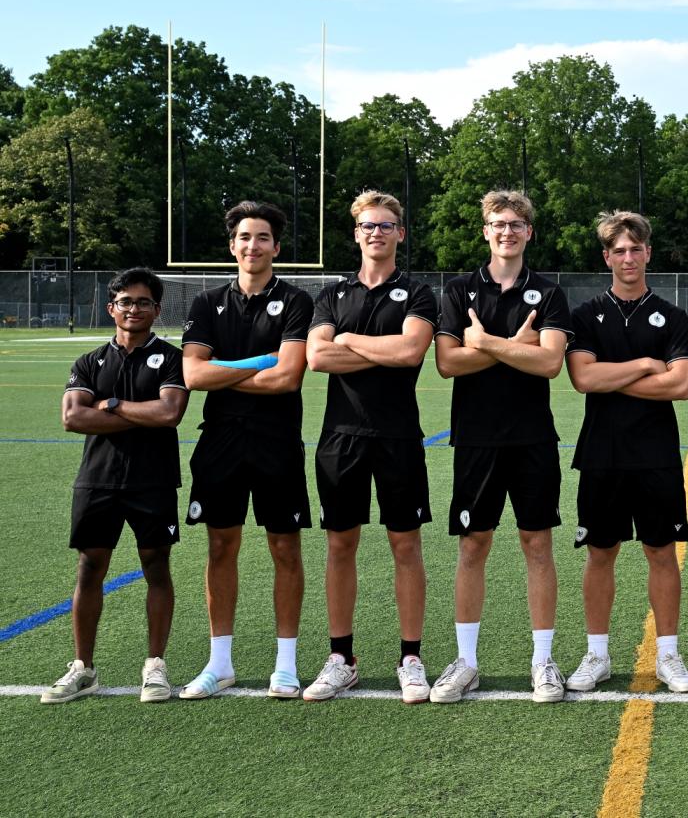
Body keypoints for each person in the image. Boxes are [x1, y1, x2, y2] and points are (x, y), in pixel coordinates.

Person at [430, 190, 572, 704]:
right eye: (497, 224)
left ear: (529, 232)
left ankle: (543, 661)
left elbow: (550, 363)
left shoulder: (549, 293)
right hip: (476, 438)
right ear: (485, 231)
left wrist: (486, 342)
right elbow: (448, 363)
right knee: (473, 545)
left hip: (533, 437)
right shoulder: (459, 290)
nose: (506, 232)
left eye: (515, 224)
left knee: (537, 544)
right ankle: (466, 661)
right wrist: (516, 346)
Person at [304, 190, 437, 703]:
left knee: (406, 545)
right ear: (356, 234)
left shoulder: (418, 293)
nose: (376, 233)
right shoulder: (332, 295)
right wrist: (375, 349)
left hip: (399, 436)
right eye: (367, 226)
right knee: (340, 545)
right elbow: (317, 357)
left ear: (400, 233)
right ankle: (342, 658)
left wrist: (348, 340)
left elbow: (410, 351)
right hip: (341, 437)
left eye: (385, 225)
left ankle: (411, 659)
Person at [179, 202, 314, 700]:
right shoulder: (206, 302)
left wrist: (225, 371)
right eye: (244, 237)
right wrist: (259, 361)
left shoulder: (296, 301)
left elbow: (288, 377)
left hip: (277, 440)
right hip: (220, 441)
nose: (252, 245)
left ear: (276, 247)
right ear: (232, 245)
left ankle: (286, 665)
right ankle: (220, 664)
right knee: (220, 546)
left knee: (285, 548)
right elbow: (193, 375)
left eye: (261, 237)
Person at [563, 210, 688, 694]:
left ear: (648, 253)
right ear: (607, 257)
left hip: (656, 453)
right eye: (618, 250)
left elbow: (681, 385)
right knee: (600, 553)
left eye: (635, 249)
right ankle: (597, 655)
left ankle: (668, 655)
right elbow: (583, 378)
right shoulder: (585, 315)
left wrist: (612, 377)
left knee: (661, 552)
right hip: (602, 452)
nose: (627, 258)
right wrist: (644, 364)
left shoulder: (673, 316)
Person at [44, 269, 189, 703]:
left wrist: (111, 405)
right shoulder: (89, 362)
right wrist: (139, 414)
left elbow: (169, 414)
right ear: (112, 308)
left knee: (156, 567)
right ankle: (83, 668)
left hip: (153, 479)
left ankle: (155, 665)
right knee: (90, 567)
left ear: (157, 310)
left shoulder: (172, 358)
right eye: (125, 301)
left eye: (143, 302)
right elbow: (73, 417)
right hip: (97, 479)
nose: (134, 309)